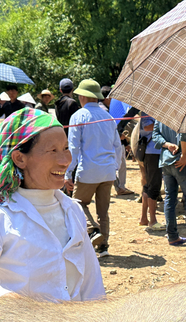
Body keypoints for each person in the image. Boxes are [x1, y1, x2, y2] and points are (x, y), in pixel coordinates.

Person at [0, 108, 105, 301]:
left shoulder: (72, 210)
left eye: (66, 148)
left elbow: (92, 284)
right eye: (53, 151)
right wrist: (8, 299)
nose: (65, 160)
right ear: (20, 158)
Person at [64, 79, 121, 258]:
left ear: (82, 96)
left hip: (88, 170)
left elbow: (73, 147)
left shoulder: (78, 116)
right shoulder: (108, 117)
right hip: (108, 171)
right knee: (103, 211)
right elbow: (117, 145)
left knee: (77, 204)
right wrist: (116, 167)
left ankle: (92, 229)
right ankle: (103, 246)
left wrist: (67, 173)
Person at [152, 121, 186, 247]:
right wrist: (184, 155)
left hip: (166, 161)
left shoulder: (160, 116)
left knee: (170, 198)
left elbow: (155, 135)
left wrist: (167, 145)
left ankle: (172, 237)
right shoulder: (183, 113)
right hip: (182, 162)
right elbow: (184, 135)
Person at [138, 114, 164, 230]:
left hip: (154, 152)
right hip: (153, 152)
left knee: (148, 185)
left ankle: (144, 218)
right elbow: (147, 127)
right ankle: (153, 221)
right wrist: (164, 123)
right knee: (154, 186)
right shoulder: (147, 112)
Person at [107, 97, 134, 195]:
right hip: (114, 143)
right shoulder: (106, 112)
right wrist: (119, 135)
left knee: (121, 165)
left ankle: (120, 186)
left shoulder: (114, 110)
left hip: (119, 143)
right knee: (116, 165)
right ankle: (119, 187)